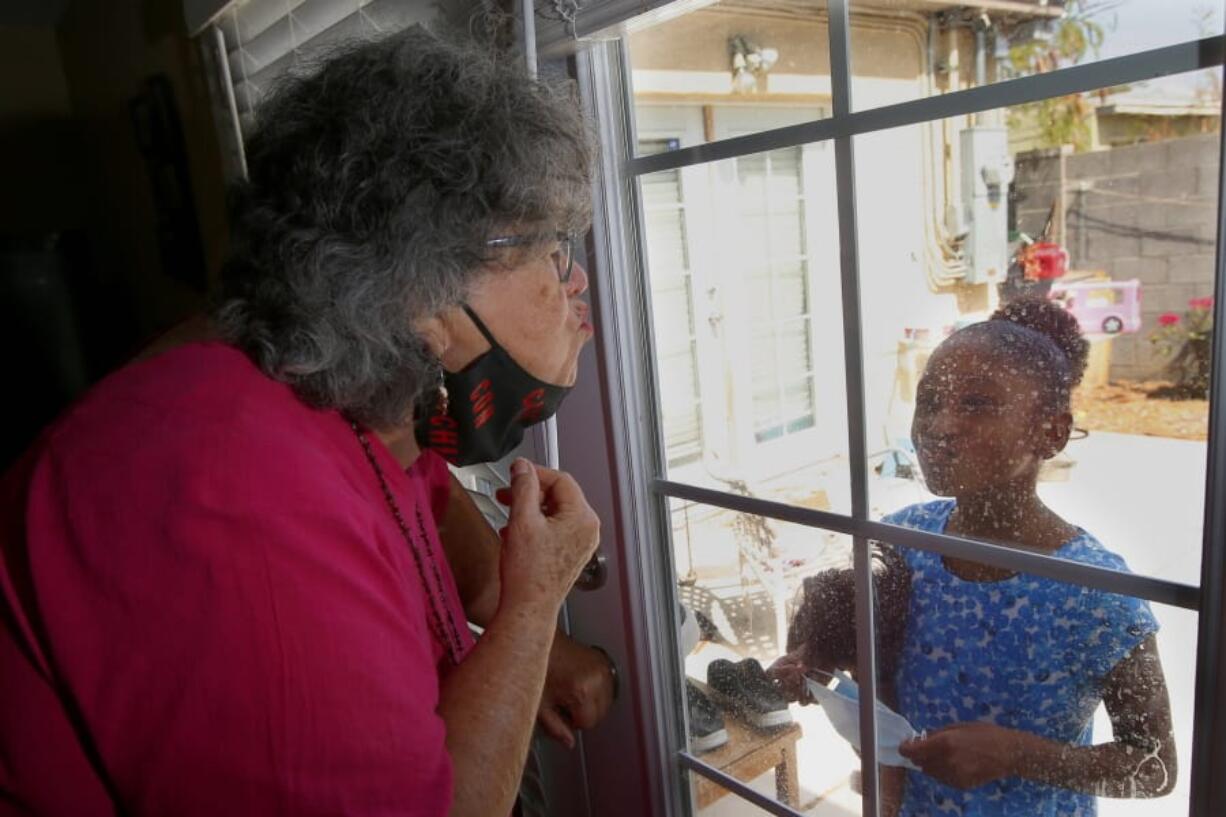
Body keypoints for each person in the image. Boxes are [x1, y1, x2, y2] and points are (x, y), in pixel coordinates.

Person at [0, 28, 611, 817]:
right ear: (425, 296)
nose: (577, 278)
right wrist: (534, 607)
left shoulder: (342, 390)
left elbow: (423, 508)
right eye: (550, 246)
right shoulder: (235, 492)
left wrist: (531, 631)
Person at [771, 296, 1177, 816]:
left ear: (1050, 433)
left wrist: (1018, 754)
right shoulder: (902, 541)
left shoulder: (1096, 591)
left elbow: (1155, 768)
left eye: (977, 405)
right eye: (929, 401)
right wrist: (817, 665)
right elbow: (874, 660)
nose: (939, 427)